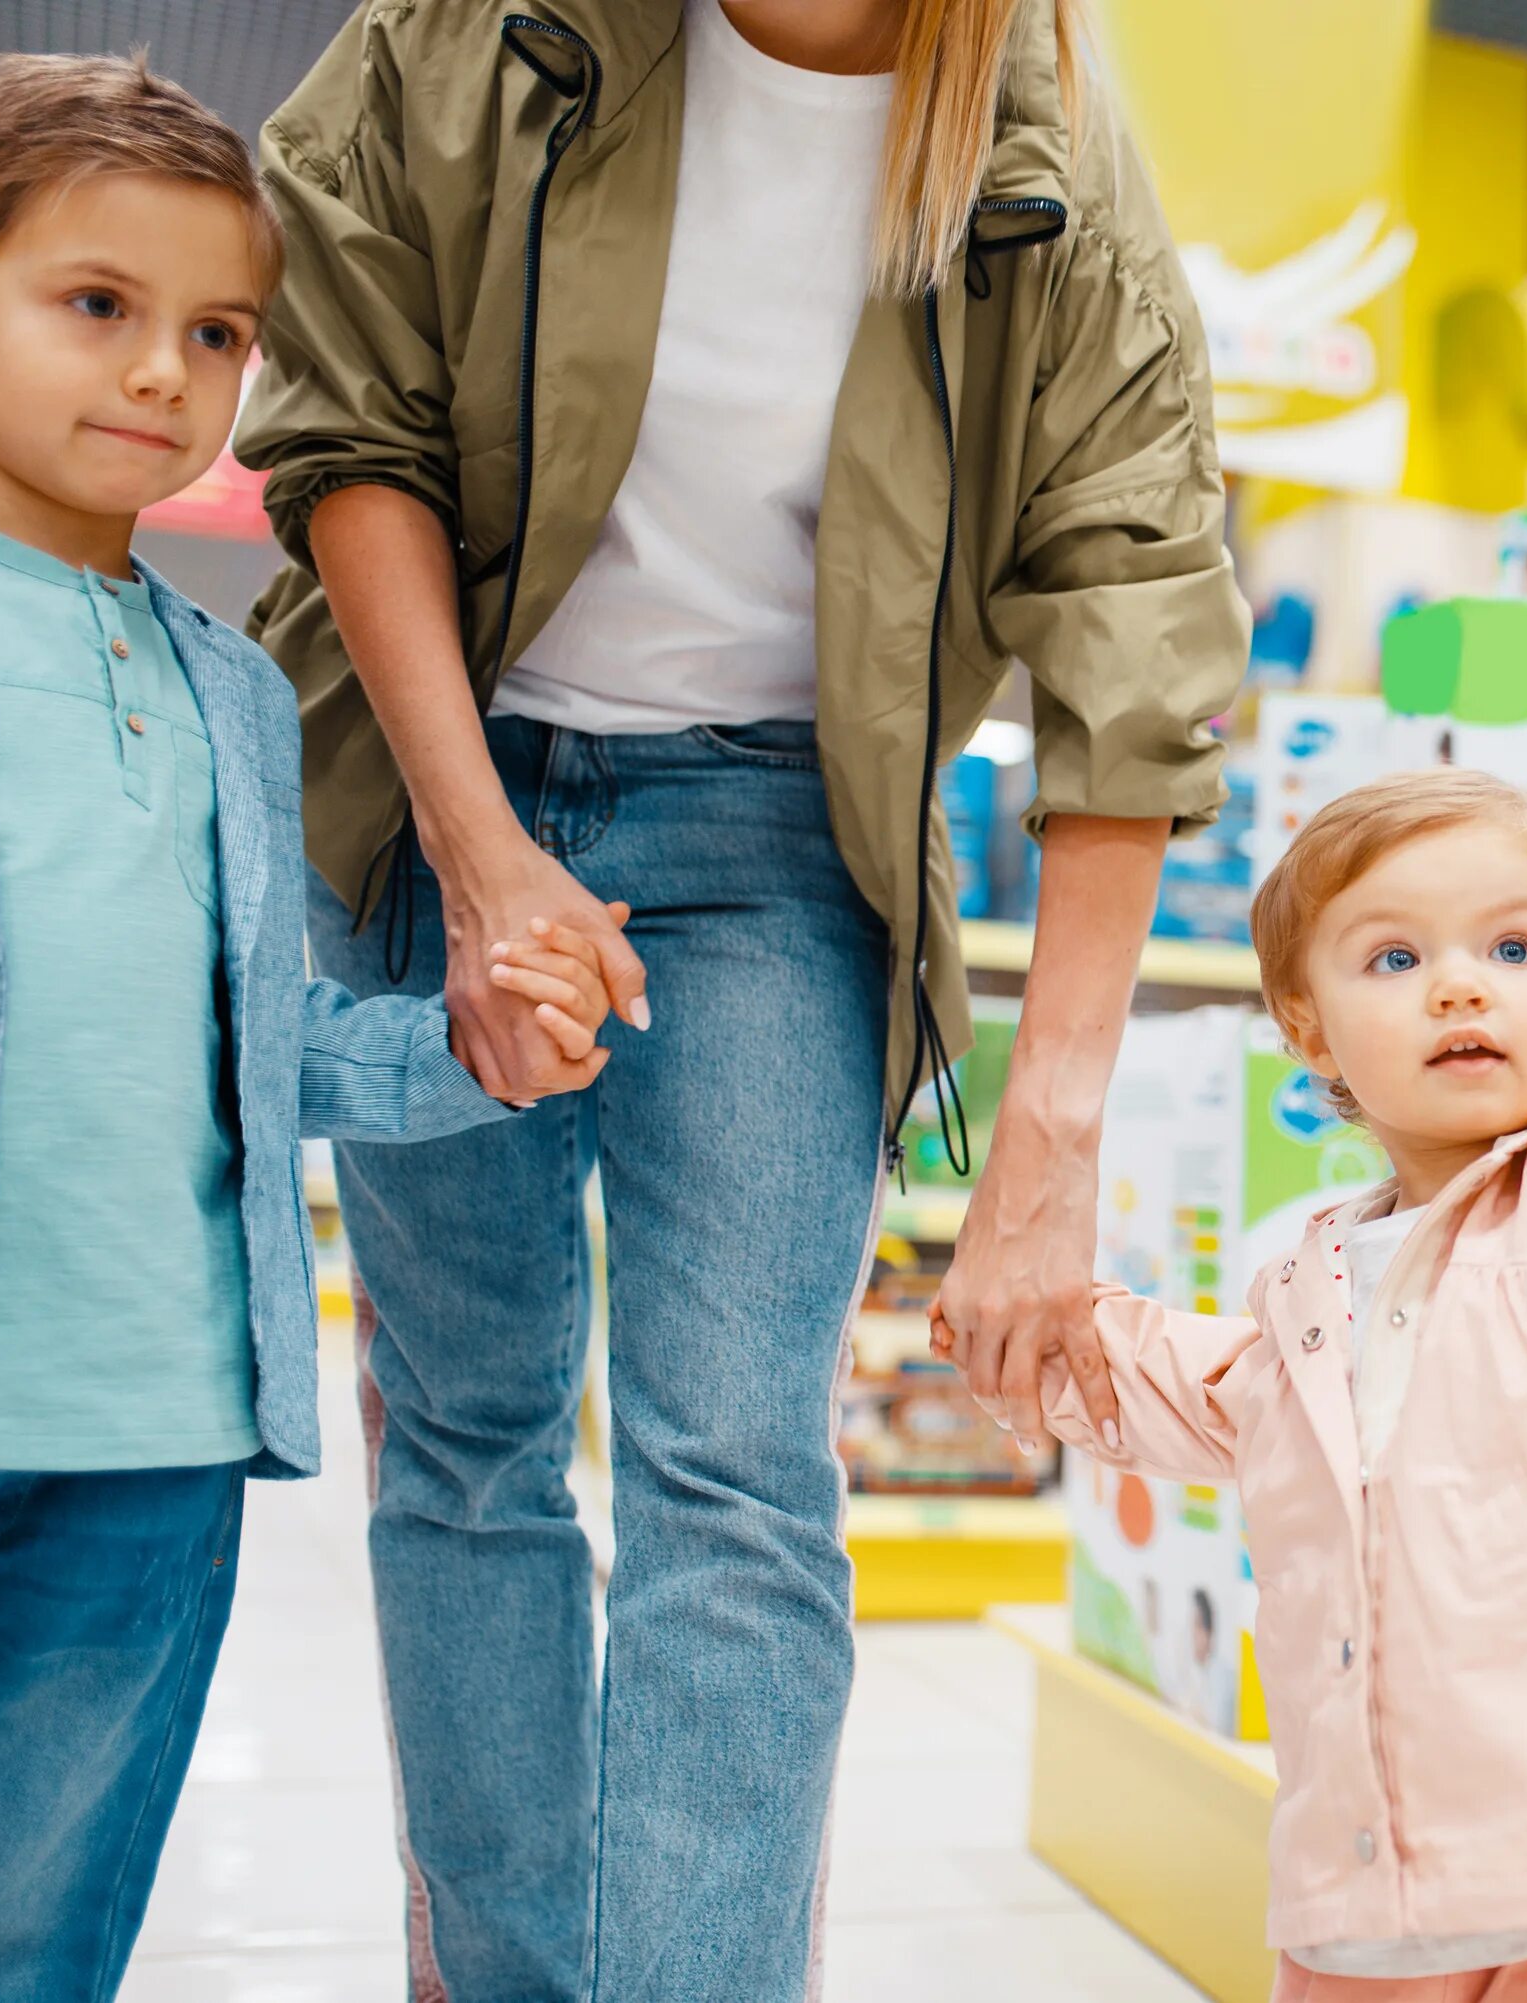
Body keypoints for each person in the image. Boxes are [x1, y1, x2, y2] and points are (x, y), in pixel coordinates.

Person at [234, 0, 1248, 1993]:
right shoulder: (476, 31)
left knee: (741, 1475)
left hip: (788, 830)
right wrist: (475, 848)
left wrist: (1048, 1138)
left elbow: (1128, 593)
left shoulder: (1039, 133)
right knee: (469, 1433)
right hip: (452, 767)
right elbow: (353, 420)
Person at [0, 55, 612, 2003]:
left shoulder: (239, 692)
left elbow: (279, 1043)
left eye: (218, 330)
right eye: (97, 303)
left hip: (151, 1433)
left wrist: (481, 1049)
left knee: (25, 1935)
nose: (164, 368)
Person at [938, 768, 1527, 2000]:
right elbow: (1185, 1387)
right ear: (1306, 1025)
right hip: (1374, 1884)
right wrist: (1021, 1326)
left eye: (1514, 944)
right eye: (1393, 958)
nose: (1461, 983)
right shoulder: (1305, 1283)